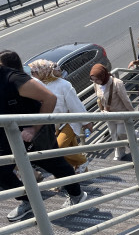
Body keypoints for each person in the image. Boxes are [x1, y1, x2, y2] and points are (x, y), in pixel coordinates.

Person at [0, 52, 87, 222]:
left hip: (34, 133)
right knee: (1, 171)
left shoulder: (12, 78)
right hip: (7, 135)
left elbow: (49, 98)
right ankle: (29, 201)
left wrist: (33, 128)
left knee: (54, 164)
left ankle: (77, 195)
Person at [29, 59, 91, 174]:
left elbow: (75, 104)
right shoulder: (37, 85)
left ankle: (82, 161)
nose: (32, 75)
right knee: (69, 149)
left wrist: (86, 122)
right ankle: (77, 174)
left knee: (59, 148)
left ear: (44, 71)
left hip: (69, 121)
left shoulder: (63, 85)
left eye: (35, 72)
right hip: (53, 125)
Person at [91, 64, 135, 160]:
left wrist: (132, 113)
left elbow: (125, 99)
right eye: (93, 80)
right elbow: (99, 98)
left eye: (97, 79)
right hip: (108, 114)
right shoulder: (96, 84)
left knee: (121, 133)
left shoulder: (116, 83)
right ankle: (119, 152)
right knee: (113, 134)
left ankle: (133, 141)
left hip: (120, 113)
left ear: (103, 76)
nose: (95, 82)